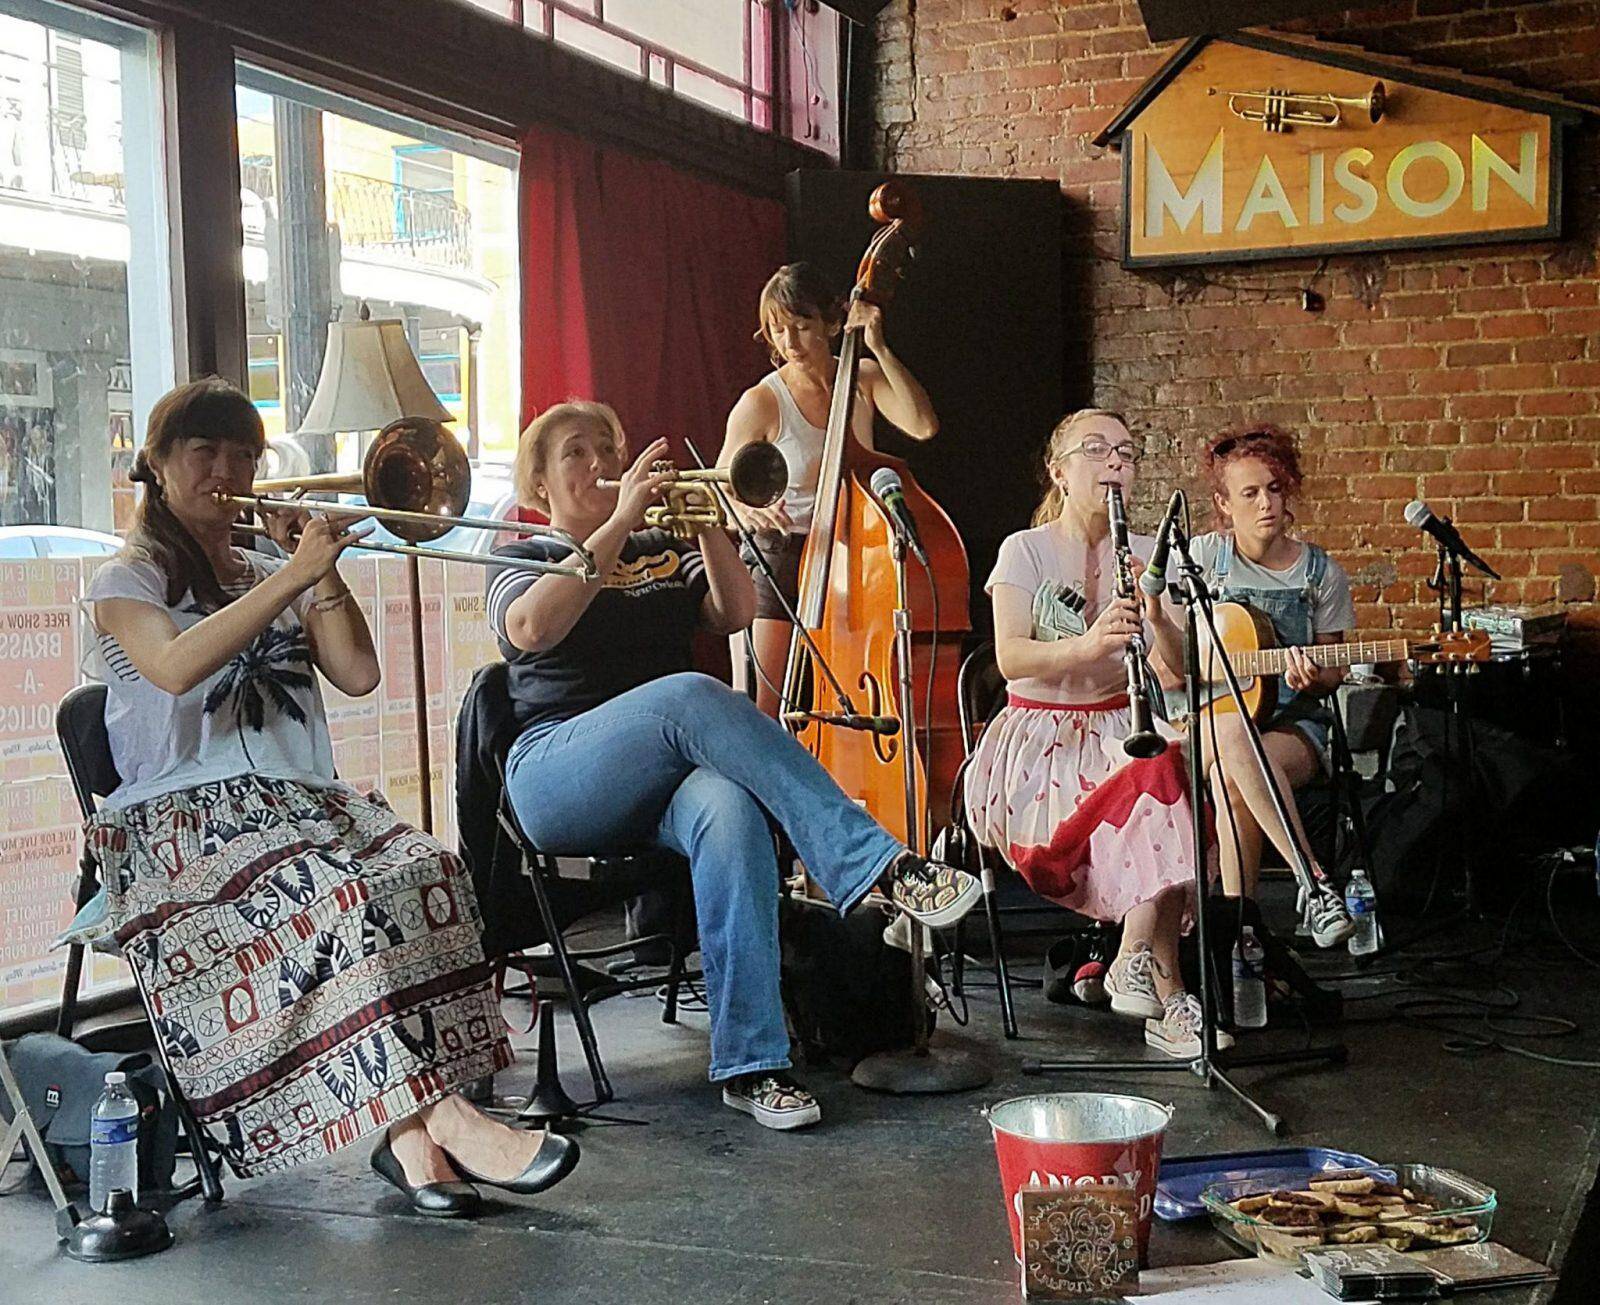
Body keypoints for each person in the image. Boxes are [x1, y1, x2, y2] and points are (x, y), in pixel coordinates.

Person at [81, 378, 577, 1218]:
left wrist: (318, 574)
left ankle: (414, 1142)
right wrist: (290, 577)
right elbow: (172, 667)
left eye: (242, 452)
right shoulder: (123, 579)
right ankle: (453, 1118)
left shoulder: (275, 564)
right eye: (203, 451)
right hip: (185, 827)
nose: (225, 468)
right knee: (336, 897)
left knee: (428, 870)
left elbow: (356, 673)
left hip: (298, 804)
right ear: (157, 465)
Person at [487, 400, 980, 1130]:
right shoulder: (519, 553)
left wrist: (710, 521)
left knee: (730, 807)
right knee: (690, 692)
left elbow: (736, 612)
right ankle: (878, 864)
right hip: (556, 771)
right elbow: (529, 628)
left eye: (606, 447)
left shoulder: (658, 548)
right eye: (575, 453)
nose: (598, 462)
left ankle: (752, 1064)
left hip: (663, 776)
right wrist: (618, 521)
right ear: (540, 482)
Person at [963, 409, 1234, 1059]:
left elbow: (1172, 668)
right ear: (1059, 470)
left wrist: (1156, 617)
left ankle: (1138, 959)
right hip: (1039, 743)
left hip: (1123, 726)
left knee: (1166, 769)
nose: (1116, 462)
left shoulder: (1146, 553)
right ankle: (1166, 992)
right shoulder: (1023, 551)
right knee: (1164, 788)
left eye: (1126, 452)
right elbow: (1010, 658)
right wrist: (1088, 644)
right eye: (1097, 449)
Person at [719, 262, 938, 714]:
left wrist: (877, 345)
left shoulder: (862, 379)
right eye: (778, 331)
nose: (790, 344)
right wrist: (747, 513)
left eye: (802, 327)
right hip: (780, 553)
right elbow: (720, 489)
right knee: (765, 701)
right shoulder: (762, 401)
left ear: (834, 322)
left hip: (851, 553)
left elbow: (923, 425)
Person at [1186, 425, 1356, 947]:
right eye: (1250, 493)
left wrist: (1315, 673)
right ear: (1224, 503)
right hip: (1209, 718)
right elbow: (1171, 652)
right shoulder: (1200, 560)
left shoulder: (1319, 571)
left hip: (1293, 722)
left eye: (1275, 489)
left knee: (1235, 771)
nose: (1266, 504)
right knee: (1234, 736)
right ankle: (1313, 882)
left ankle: (1242, 935)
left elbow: (1334, 669)